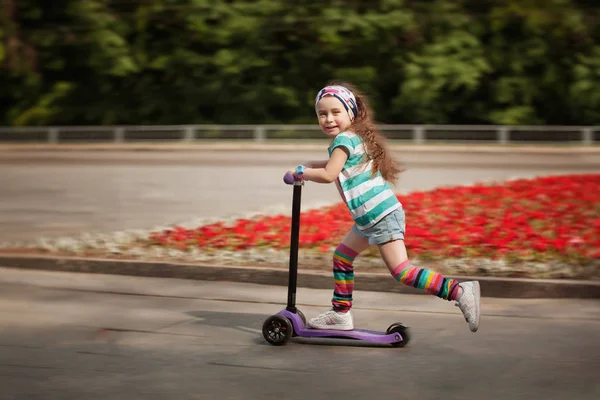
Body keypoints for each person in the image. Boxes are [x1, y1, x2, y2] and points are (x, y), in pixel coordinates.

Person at [287, 81, 481, 333]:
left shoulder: (344, 139)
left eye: (335, 112)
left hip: (380, 216)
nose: (328, 119)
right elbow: (334, 164)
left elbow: (328, 173)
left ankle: (458, 291)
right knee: (342, 257)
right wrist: (309, 164)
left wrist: (302, 172)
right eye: (322, 114)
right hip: (368, 219)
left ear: (350, 113)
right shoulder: (352, 138)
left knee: (402, 271)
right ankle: (340, 313)